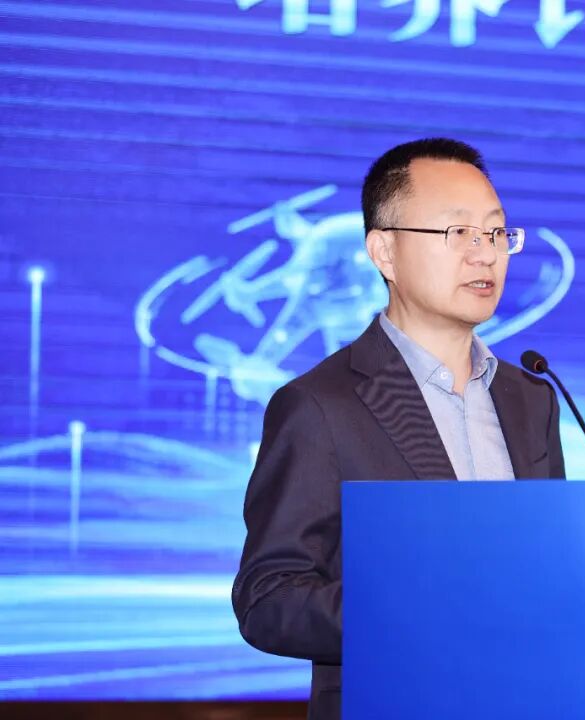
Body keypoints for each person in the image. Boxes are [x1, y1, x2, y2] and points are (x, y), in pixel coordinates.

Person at [231, 138, 566, 720]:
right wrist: (417, 612)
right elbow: (268, 598)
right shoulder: (318, 406)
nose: (485, 255)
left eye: (496, 233)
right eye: (458, 233)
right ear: (384, 251)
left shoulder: (531, 397)